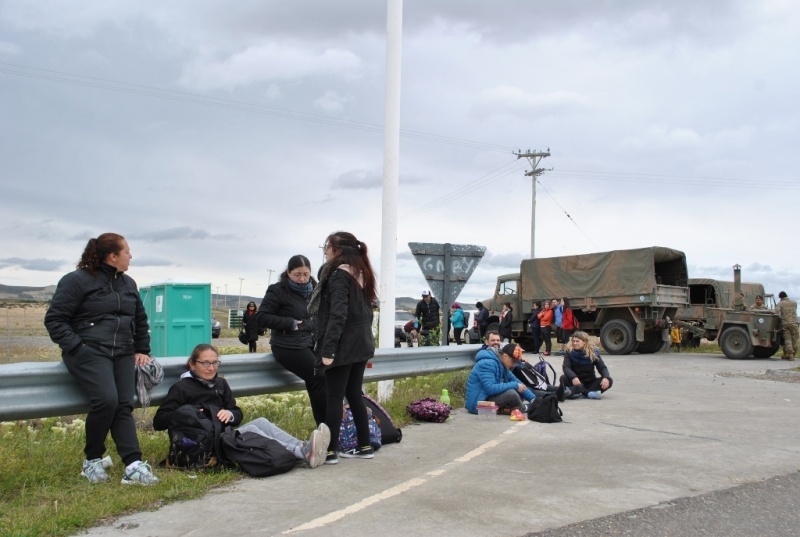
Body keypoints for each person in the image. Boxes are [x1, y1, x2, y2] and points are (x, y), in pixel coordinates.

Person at [44, 233, 159, 485]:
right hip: (89, 352)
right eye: (127, 251)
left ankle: (133, 464)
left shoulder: (129, 283)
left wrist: (142, 349)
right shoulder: (76, 281)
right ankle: (92, 460)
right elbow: (55, 320)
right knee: (106, 400)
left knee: (123, 405)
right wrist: (79, 347)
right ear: (113, 256)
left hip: (122, 353)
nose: (131, 256)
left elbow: (139, 319)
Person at [153, 344, 329, 469]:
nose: (211, 367)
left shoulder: (220, 384)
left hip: (226, 436)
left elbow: (238, 414)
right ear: (192, 364)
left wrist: (230, 414)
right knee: (252, 429)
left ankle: (304, 446)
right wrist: (191, 413)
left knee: (260, 422)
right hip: (203, 444)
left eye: (215, 363)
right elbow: (159, 421)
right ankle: (302, 452)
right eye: (205, 363)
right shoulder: (182, 388)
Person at [308, 231, 377, 464]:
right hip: (361, 344)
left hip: (343, 345)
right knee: (354, 394)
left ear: (337, 249)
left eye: (327, 246)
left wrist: (328, 350)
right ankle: (365, 446)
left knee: (334, 397)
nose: (325, 251)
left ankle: (330, 451)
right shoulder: (361, 272)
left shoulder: (338, 275)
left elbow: (338, 315)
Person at [257, 255, 326, 425]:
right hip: (287, 345)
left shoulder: (316, 289)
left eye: (305, 274)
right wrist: (291, 323)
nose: (302, 279)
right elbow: (262, 317)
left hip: (312, 343)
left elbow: (324, 316)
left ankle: (327, 429)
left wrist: (310, 325)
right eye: (297, 274)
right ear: (288, 273)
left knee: (322, 380)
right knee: (319, 377)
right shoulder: (278, 290)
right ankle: (326, 428)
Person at [465, 343, 536, 421]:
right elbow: (490, 388)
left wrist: (534, 399)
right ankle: (523, 408)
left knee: (520, 391)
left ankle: (508, 409)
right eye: (513, 361)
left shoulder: (503, 365)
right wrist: (515, 385)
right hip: (477, 405)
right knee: (512, 394)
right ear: (505, 356)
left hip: (490, 398)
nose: (514, 364)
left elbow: (518, 382)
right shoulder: (487, 364)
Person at [560, 331, 613, 400]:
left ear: (584, 341)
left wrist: (606, 377)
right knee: (563, 378)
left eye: (577, 341)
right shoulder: (569, 352)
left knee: (609, 381)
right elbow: (566, 367)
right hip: (576, 382)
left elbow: (602, 368)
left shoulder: (593, 352)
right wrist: (574, 377)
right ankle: (588, 393)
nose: (574, 343)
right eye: (573, 341)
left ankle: (578, 391)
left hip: (590, 382)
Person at [775, 291, 798, 361]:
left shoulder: (780, 303)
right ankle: (793, 354)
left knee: (788, 339)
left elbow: (776, 312)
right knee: (794, 339)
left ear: (780, 297)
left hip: (785, 323)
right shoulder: (794, 302)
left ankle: (790, 355)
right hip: (794, 323)